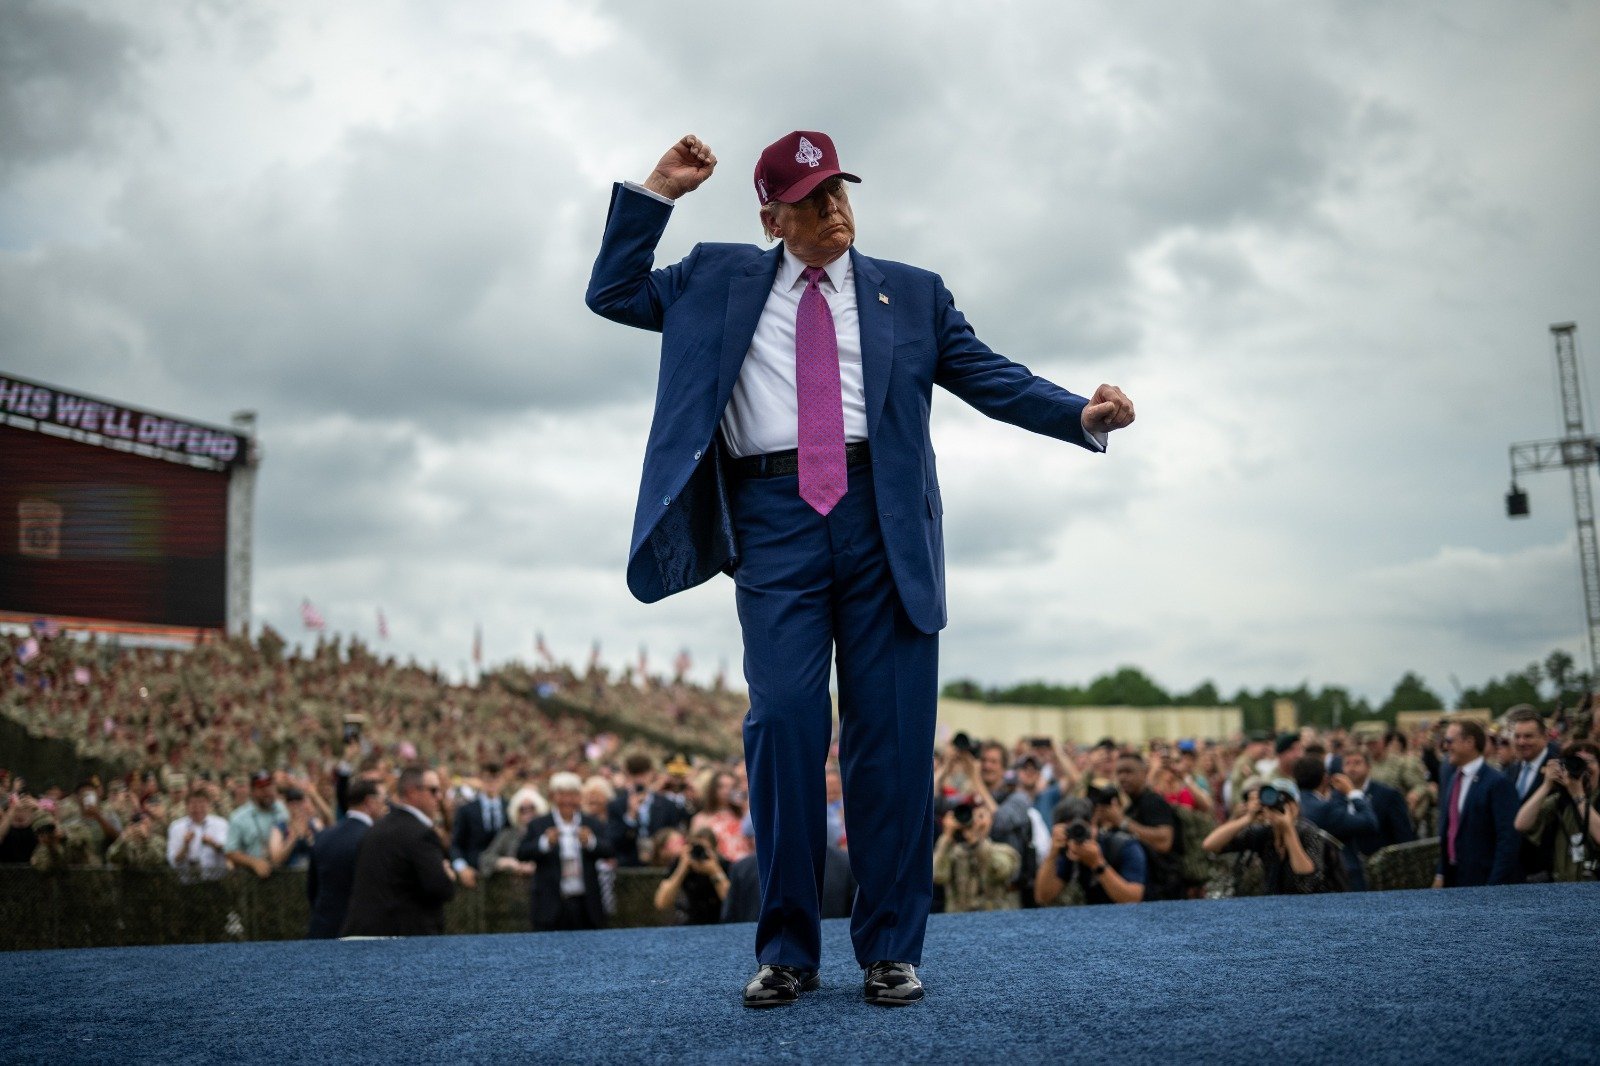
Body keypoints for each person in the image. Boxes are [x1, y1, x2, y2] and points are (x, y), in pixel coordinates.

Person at [586, 131, 1133, 1009]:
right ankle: (789, 951)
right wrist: (658, 190)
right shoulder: (714, 278)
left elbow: (989, 376)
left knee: (889, 744)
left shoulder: (912, 293)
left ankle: (889, 948)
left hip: (885, 523)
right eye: (811, 198)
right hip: (773, 524)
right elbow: (612, 292)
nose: (835, 209)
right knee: (787, 725)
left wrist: (1081, 412)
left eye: (840, 190)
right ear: (772, 217)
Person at [341, 766, 458, 937]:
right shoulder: (421, 834)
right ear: (412, 792)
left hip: (364, 934)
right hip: (404, 941)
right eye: (433, 790)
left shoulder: (375, 828)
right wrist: (447, 875)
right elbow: (441, 888)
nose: (439, 797)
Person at [1201, 779, 1340, 894]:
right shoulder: (1263, 833)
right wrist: (1248, 818)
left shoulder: (1308, 831)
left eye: (1285, 801)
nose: (1278, 807)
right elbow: (1210, 845)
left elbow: (1307, 877)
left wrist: (1288, 830)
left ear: (1296, 806)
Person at [518, 772, 613, 932]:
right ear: (553, 796)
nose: (567, 800)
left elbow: (609, 850)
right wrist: (545, 843)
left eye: (573, 795)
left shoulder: (591, 823)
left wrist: (590, 842)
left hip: (585, 905)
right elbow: (522, 853)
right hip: (550, 906)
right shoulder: (539, 824)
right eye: (562, 794)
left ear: (579, 797)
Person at [1433, 718, 1521, 888]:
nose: (1445, 747)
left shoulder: (1497, 783)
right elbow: (1450, 830)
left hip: (1484, 882)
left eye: (1450, 741)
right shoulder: (1454, 779)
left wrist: (1494, 886)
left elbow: (1508, 839)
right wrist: (1441, 871)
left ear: (1469, 742)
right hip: (1455, 880)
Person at [306, 776, 387, 939]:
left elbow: (312, 890)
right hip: (362, 937)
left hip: (322, 931)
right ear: (369, 802)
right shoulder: (376, 840)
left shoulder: (323, 836)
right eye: (383, 800)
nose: (386, 806)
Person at [1512, 741, 1600, 883]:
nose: (1583, 767)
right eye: (1576, 761)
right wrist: (1547, 784)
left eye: (1589, 761)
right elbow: (1520, 824)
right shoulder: (1560, 801)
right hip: (1562, 888)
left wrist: (1579, 796)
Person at [1034, 795, 1146, 905]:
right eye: (1071, 830)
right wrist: (1052, 854)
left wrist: (1098, 864)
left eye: (1082, 828)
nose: (1077, 835)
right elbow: (1043, 897)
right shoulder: (1066, 853)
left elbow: (1133, 898)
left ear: (1094, 825)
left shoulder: (1123, 846)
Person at [1293, 757, 1378, 891]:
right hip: (1341, 878)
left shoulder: (1294, 807)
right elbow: (1369, 822)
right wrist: (1352, 792)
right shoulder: (1326, 809)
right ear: (1325, 778)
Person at [1502, 706, 1560, 881]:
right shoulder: (1510, 771)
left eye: (1528, 736)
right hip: (1515, 868)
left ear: (1544, 737)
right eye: (1517, 736)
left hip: (1547, 869)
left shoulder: (1559, 768)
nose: (1521, 742)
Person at [1112, 754, 1180, 900]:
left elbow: (1164, 842)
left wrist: (1122, 822)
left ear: (1144, 773)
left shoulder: (1153, 802)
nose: (1122, 777)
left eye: (1128, 772)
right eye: (1119, 773)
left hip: (1165, 892)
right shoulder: (1131, 807)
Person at [932, 802, 1019, 913]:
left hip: (994, 918)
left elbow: (1001, 871)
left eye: (980, 816)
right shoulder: (953, 853)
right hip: (958, 920)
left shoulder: (1005, 851)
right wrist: (947, 836)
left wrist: (978, 841)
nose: (974, 822)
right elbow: (938, 876)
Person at [1340, 748, 1415, 857]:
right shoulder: (1337, 796)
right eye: (1347, 763)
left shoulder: (1388, 795)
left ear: (1368, 766)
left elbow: (1404, 836)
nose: (1352, 768)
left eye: (1357, 763)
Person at [653, 825, 732, 926]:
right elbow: (661, 903)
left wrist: (715, 871)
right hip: (689, 923)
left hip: (719, 922)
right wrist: (682, 868)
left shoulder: (723, 865)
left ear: (714, 850)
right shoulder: (681, 865)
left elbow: (731, 902)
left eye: (704, 849)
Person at [451, 762, 507, 881]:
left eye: (495, 778)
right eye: (487, 778)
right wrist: (461, 867)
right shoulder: (466, 810)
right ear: (481, 779)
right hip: (474, 873)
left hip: (504, 874)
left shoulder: (510, 808)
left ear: (502, 780)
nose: (491, 782)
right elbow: (456, 844)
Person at [225, 770, 286, 879]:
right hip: (252, 878)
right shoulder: (238, 817)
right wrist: (253, 863)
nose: (267, 791)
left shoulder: (283, 809)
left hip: (285, 875)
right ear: (252, 792)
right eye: (262, 788)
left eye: (269, 787)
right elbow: (230, 852)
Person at [166, 788, 230, 882]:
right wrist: (185, 846)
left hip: (216, 881)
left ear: (208, 804)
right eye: (193, 804)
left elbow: (229, 852)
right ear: (186, 806)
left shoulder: (221, 824)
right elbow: (173, 861)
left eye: (201, 803)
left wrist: (213, 843)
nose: (197, 808)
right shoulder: (176, 827)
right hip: (188, 882)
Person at [268, 786, 323, 872]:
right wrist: (293, 838)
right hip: (289, 876)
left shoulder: (315, 823)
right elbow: (276, 860)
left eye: (299, 802)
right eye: (292, 803)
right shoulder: (279, 828)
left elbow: (324, 851)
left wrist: (309, 836)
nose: (296, 806)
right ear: (286, 805)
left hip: (312, 873)